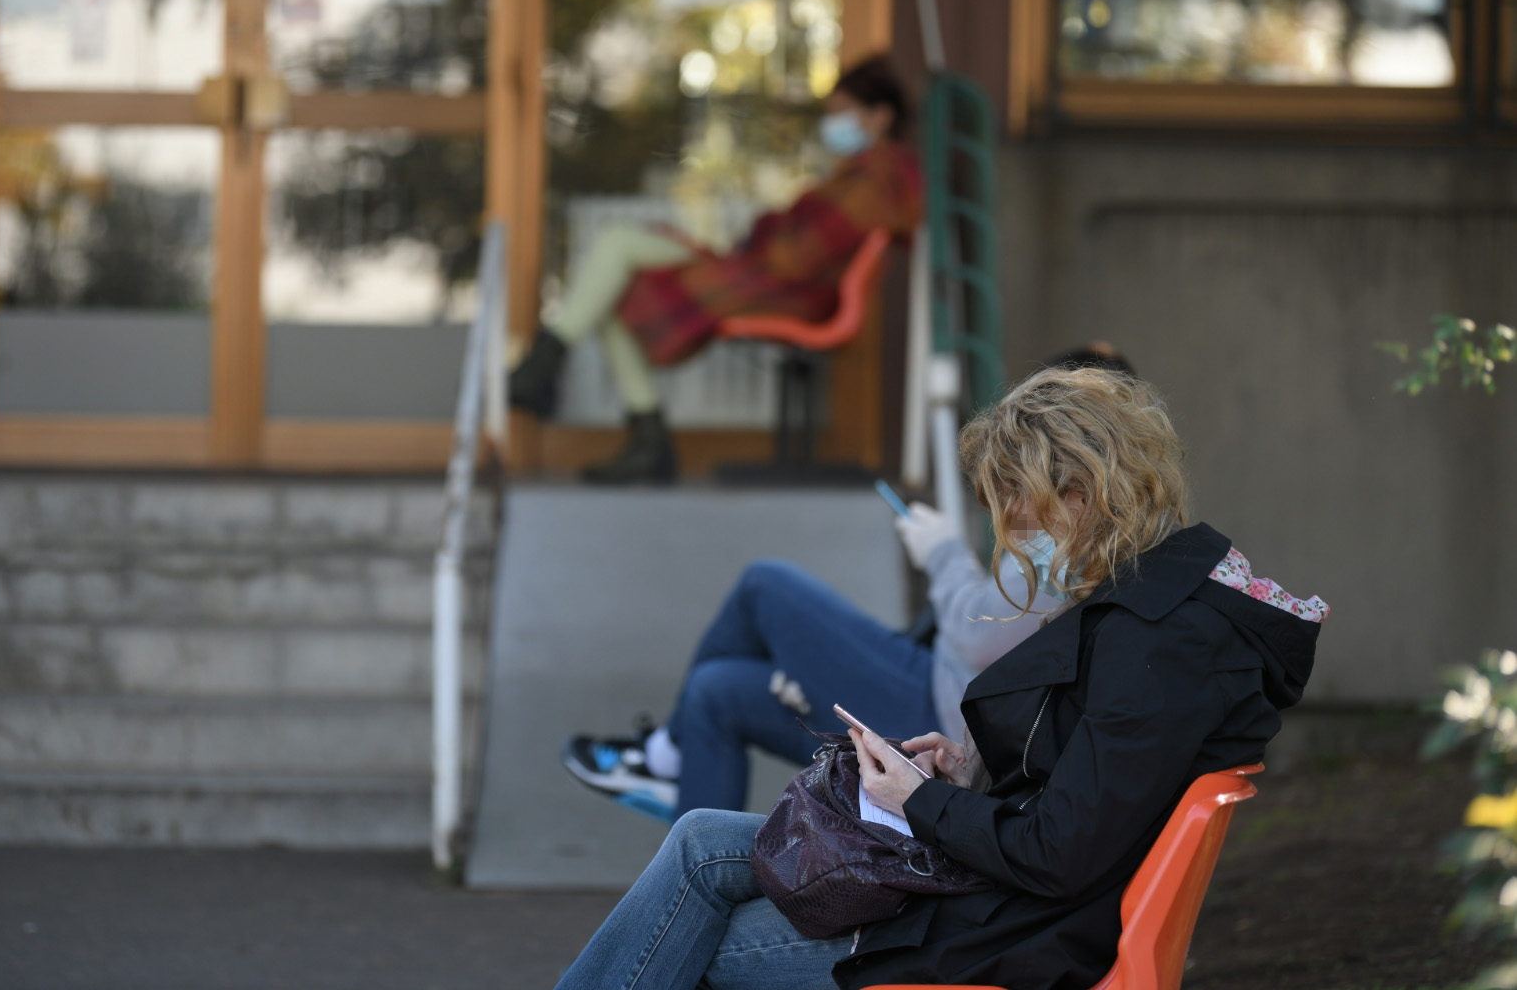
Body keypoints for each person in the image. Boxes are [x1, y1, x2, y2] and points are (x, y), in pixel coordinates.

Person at [551, 366, 1326, 990]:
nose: (1013, 536)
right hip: (1011, 900)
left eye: (1019, 512)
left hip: (1013, 935)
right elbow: (1091, 794)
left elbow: (1061, 850)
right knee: (699, 840)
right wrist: (969, 776)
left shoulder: (1156, 641)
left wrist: (920, 803)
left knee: (696, 941)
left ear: (1081, 498)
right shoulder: (1167, 606)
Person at [561, 345, 1138, 824]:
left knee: (766, 584)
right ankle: (693, 861)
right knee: (715, 692)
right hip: (941, 697)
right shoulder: (1083, 528)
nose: (1009, 499)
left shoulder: (1078, 540)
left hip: (942, 721)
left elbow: (976, 635)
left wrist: (942, 552)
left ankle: (665, 757)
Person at [508, 56, 923, 484]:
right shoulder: (865, 174)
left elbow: (796, 258)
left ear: (880, 116)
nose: (832, 125)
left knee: (617, 257)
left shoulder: (876, 179)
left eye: (842, 113)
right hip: (766, 277)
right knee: (615, 275)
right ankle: (625, 424)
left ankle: (548, 376)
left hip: (782, 288)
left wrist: (755, 241)